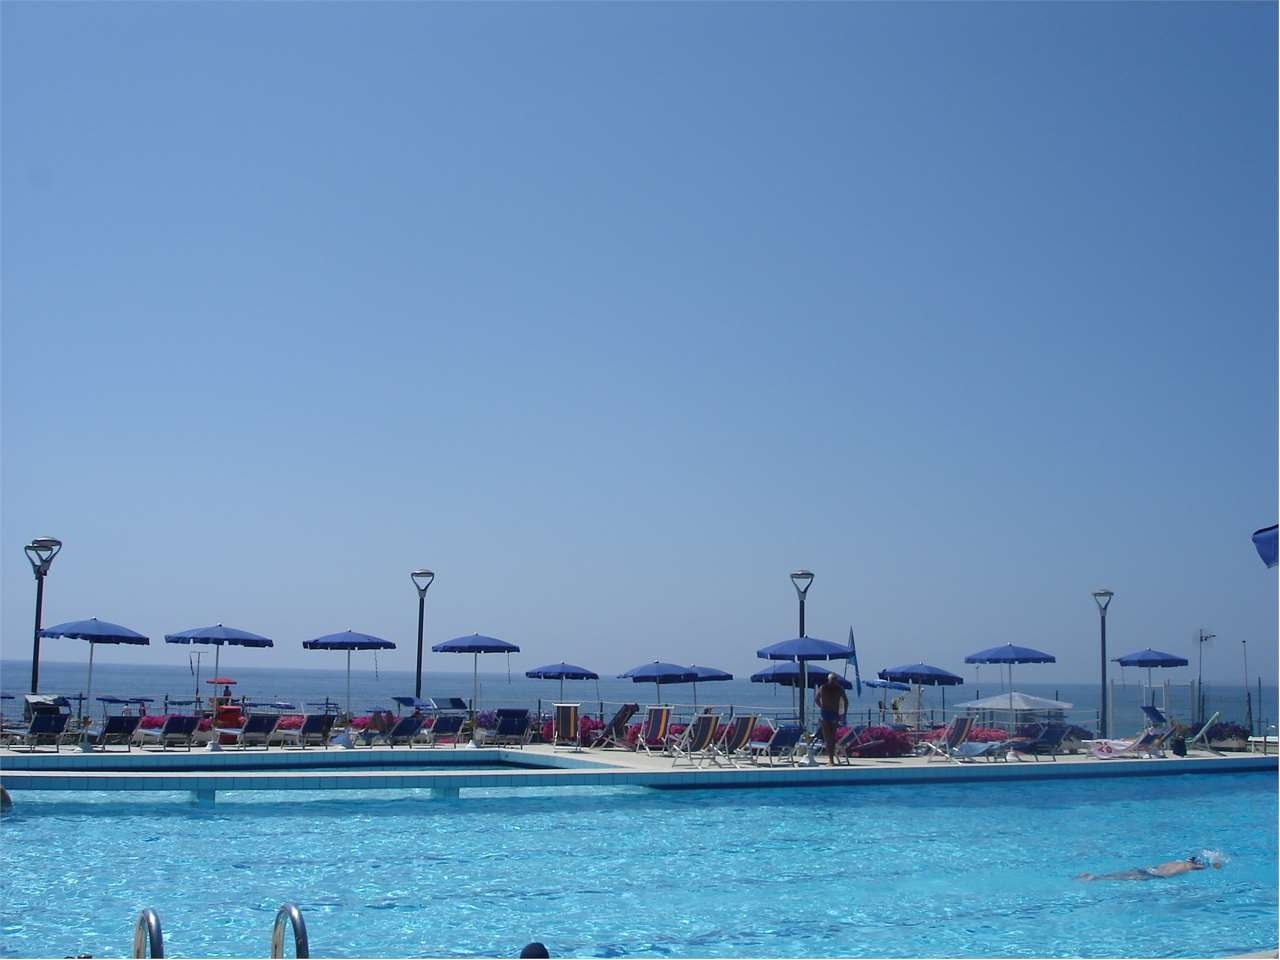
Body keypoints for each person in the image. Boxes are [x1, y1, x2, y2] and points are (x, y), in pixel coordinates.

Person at [1077, 852, 1225, 881]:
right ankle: (1095, 878)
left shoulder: (1176, 861)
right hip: (1155, 876)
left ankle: (1095, 876)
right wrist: (1217, 861)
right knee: (1123, 878)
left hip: (1149, 869)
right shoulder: (1190, 867)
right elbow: (1212, 866)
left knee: (1123, 874)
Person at [814, 674, 848, 766]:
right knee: (830, 738)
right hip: (830, 714)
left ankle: (831, 760)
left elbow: (816, 699)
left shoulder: (825, 688)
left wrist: (822, 706)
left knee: (830, 738)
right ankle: (831, 760)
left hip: (829, 714)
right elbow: (845, 701)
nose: (833, 681)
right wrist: (843, 714)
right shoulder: (837, 689)